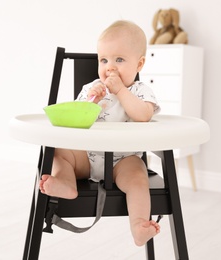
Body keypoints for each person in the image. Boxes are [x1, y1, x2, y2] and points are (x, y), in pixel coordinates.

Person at [39, 20, 161, 246]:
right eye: (104, 60)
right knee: (58, 151)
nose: (109, 67)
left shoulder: (140, 91)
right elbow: (75, 121)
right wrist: (90, 100)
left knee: (138, 177)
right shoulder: (92, 87)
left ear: (140, 64)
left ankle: (139, 225)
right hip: (87, 156)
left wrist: (121, 91)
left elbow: (143, 115)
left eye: (120, 60)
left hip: (122, 160)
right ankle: (66, 183)